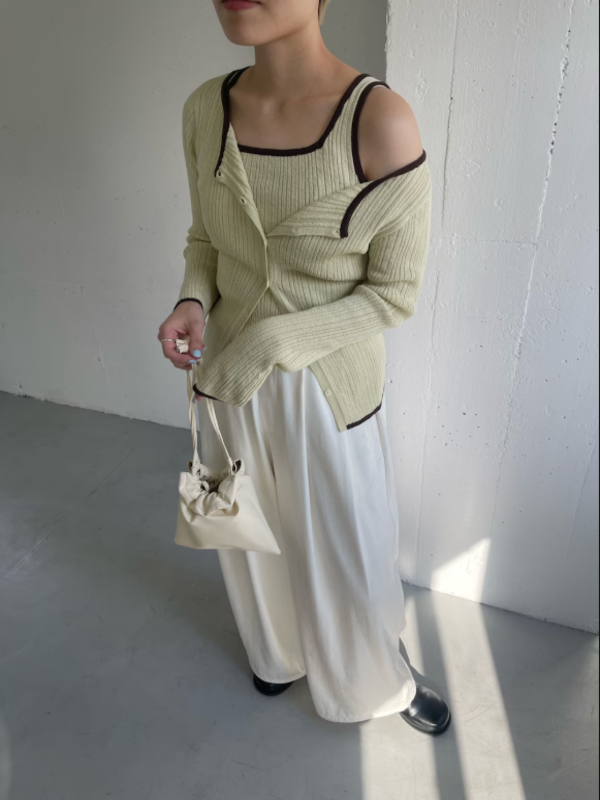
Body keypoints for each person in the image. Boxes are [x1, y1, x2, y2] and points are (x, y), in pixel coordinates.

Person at [158, 0, 450, 734]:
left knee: (345, 547)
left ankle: (372, 681)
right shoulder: (204, 110)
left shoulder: (378, 121)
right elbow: (206, 239)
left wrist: (271, 343)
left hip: (326, 388)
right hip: (225, 379)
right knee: (245, 532)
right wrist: (192, 300)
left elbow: (393, 294)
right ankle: (275, 653)